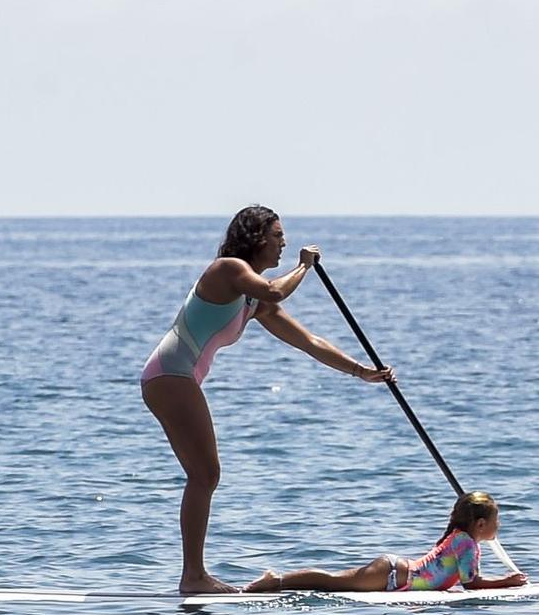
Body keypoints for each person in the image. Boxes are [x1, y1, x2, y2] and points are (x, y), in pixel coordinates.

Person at [141, 204, 394, 594]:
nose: (284, 244)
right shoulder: (227, 270)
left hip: (176, 378)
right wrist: (305, 266)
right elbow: (276, 287)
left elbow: (309, 342)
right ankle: (193, 577)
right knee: (205, 475)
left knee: (205, 474)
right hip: (169, 376)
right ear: (256, 238)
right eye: (277, 236)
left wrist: (362, 371)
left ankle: (193, 575)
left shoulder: (251, 301)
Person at [244, 491, 529, 594]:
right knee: (332, 583)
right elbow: (471, 584)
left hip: (394, 571)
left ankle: (277, 581)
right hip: (393, 575)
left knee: (333, 582)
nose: (499, 525)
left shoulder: (461, 537)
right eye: (496, 519)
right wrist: (508, 582)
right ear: (480, 524)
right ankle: (275, 581)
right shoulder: (466, 543)